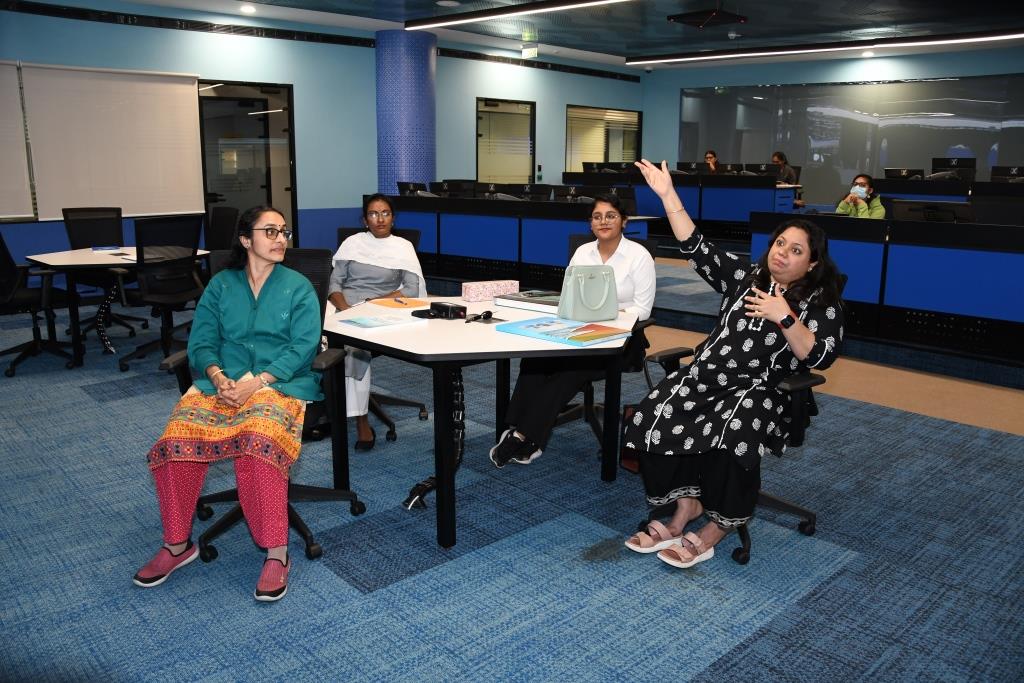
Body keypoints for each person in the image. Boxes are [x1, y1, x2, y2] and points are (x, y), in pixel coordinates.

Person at [622, 160, 844, 569]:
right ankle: (686, 508)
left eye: (796, 250)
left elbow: (820, 356)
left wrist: (784, 315)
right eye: (780, 244)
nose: (783, 254)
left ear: (812, 263)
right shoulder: (747, 277)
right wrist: (668, 195)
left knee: (733, 432)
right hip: (706, 377)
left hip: (759, 390)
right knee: (650, 416)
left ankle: (718, 526)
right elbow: (696, 246)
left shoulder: (820, 302)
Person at [133, 205, 322, 602]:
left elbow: (303, 346)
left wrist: (258, 382)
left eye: (284, 232)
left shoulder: (298, 287)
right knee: (175, 440)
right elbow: (201, 341)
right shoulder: (221, 285)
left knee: (258, 440)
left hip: (279, 384)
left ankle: (277, 552)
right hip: (222, 384)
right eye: (270, 231)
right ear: (245, 239)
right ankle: (176, 544)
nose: (280, 239)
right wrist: (218, 377)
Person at [489, 193, 656, 467]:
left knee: (571, 369)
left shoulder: (639, 256)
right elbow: (570, 296)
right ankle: (518, 427)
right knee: (535, 360)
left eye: (611, 216)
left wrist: (609, 316)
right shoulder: (583, 252)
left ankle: (522, 436)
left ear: (624, 221)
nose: (603, 221)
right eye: (597, 216)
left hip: (621, 341)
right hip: (578, 331)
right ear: (590, 223)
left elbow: (644, 309)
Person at [328, 193, 427, 451]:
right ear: (365, 220)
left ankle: (361, 419)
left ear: (393, 218)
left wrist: (373, 303)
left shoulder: (402, 247)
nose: (380, 219)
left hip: (379, 308)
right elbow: (335, 282)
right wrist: (345, 309)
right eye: (373, 214)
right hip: (342, 305)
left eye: (385, 213)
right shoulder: (352, 243)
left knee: (353, 348)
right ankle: (319, 404)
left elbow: (411, 289)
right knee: (313, 338)